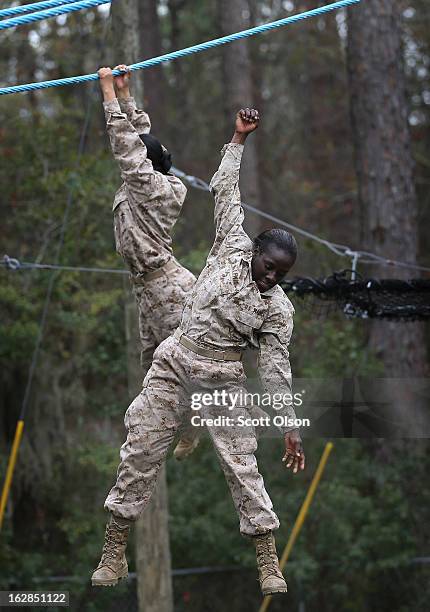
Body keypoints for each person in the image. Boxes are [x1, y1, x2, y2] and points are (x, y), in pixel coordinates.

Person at [91, 105, 306, 597]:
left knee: (241, 462)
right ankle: (115, 543)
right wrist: (238, 139)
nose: (270, 276)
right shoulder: (233, 245)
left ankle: (267, 556)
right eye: (268, 265)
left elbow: (275, 368)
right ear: (255, 251)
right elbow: (227, 189)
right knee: (141, 443)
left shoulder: (278, 310)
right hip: (176, 359)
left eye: (281, 274)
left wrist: (290, 426)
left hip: (222, 379)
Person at [97, 65, 198, 457]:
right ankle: (169, 424)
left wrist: (107, 95)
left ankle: (193, 420)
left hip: (168, 288)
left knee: (181, 363)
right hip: (148, 289)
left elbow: (127, 146)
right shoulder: (150, 177)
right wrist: (126, 95)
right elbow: (141, 139)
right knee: (153, 368)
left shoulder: (154, 188)